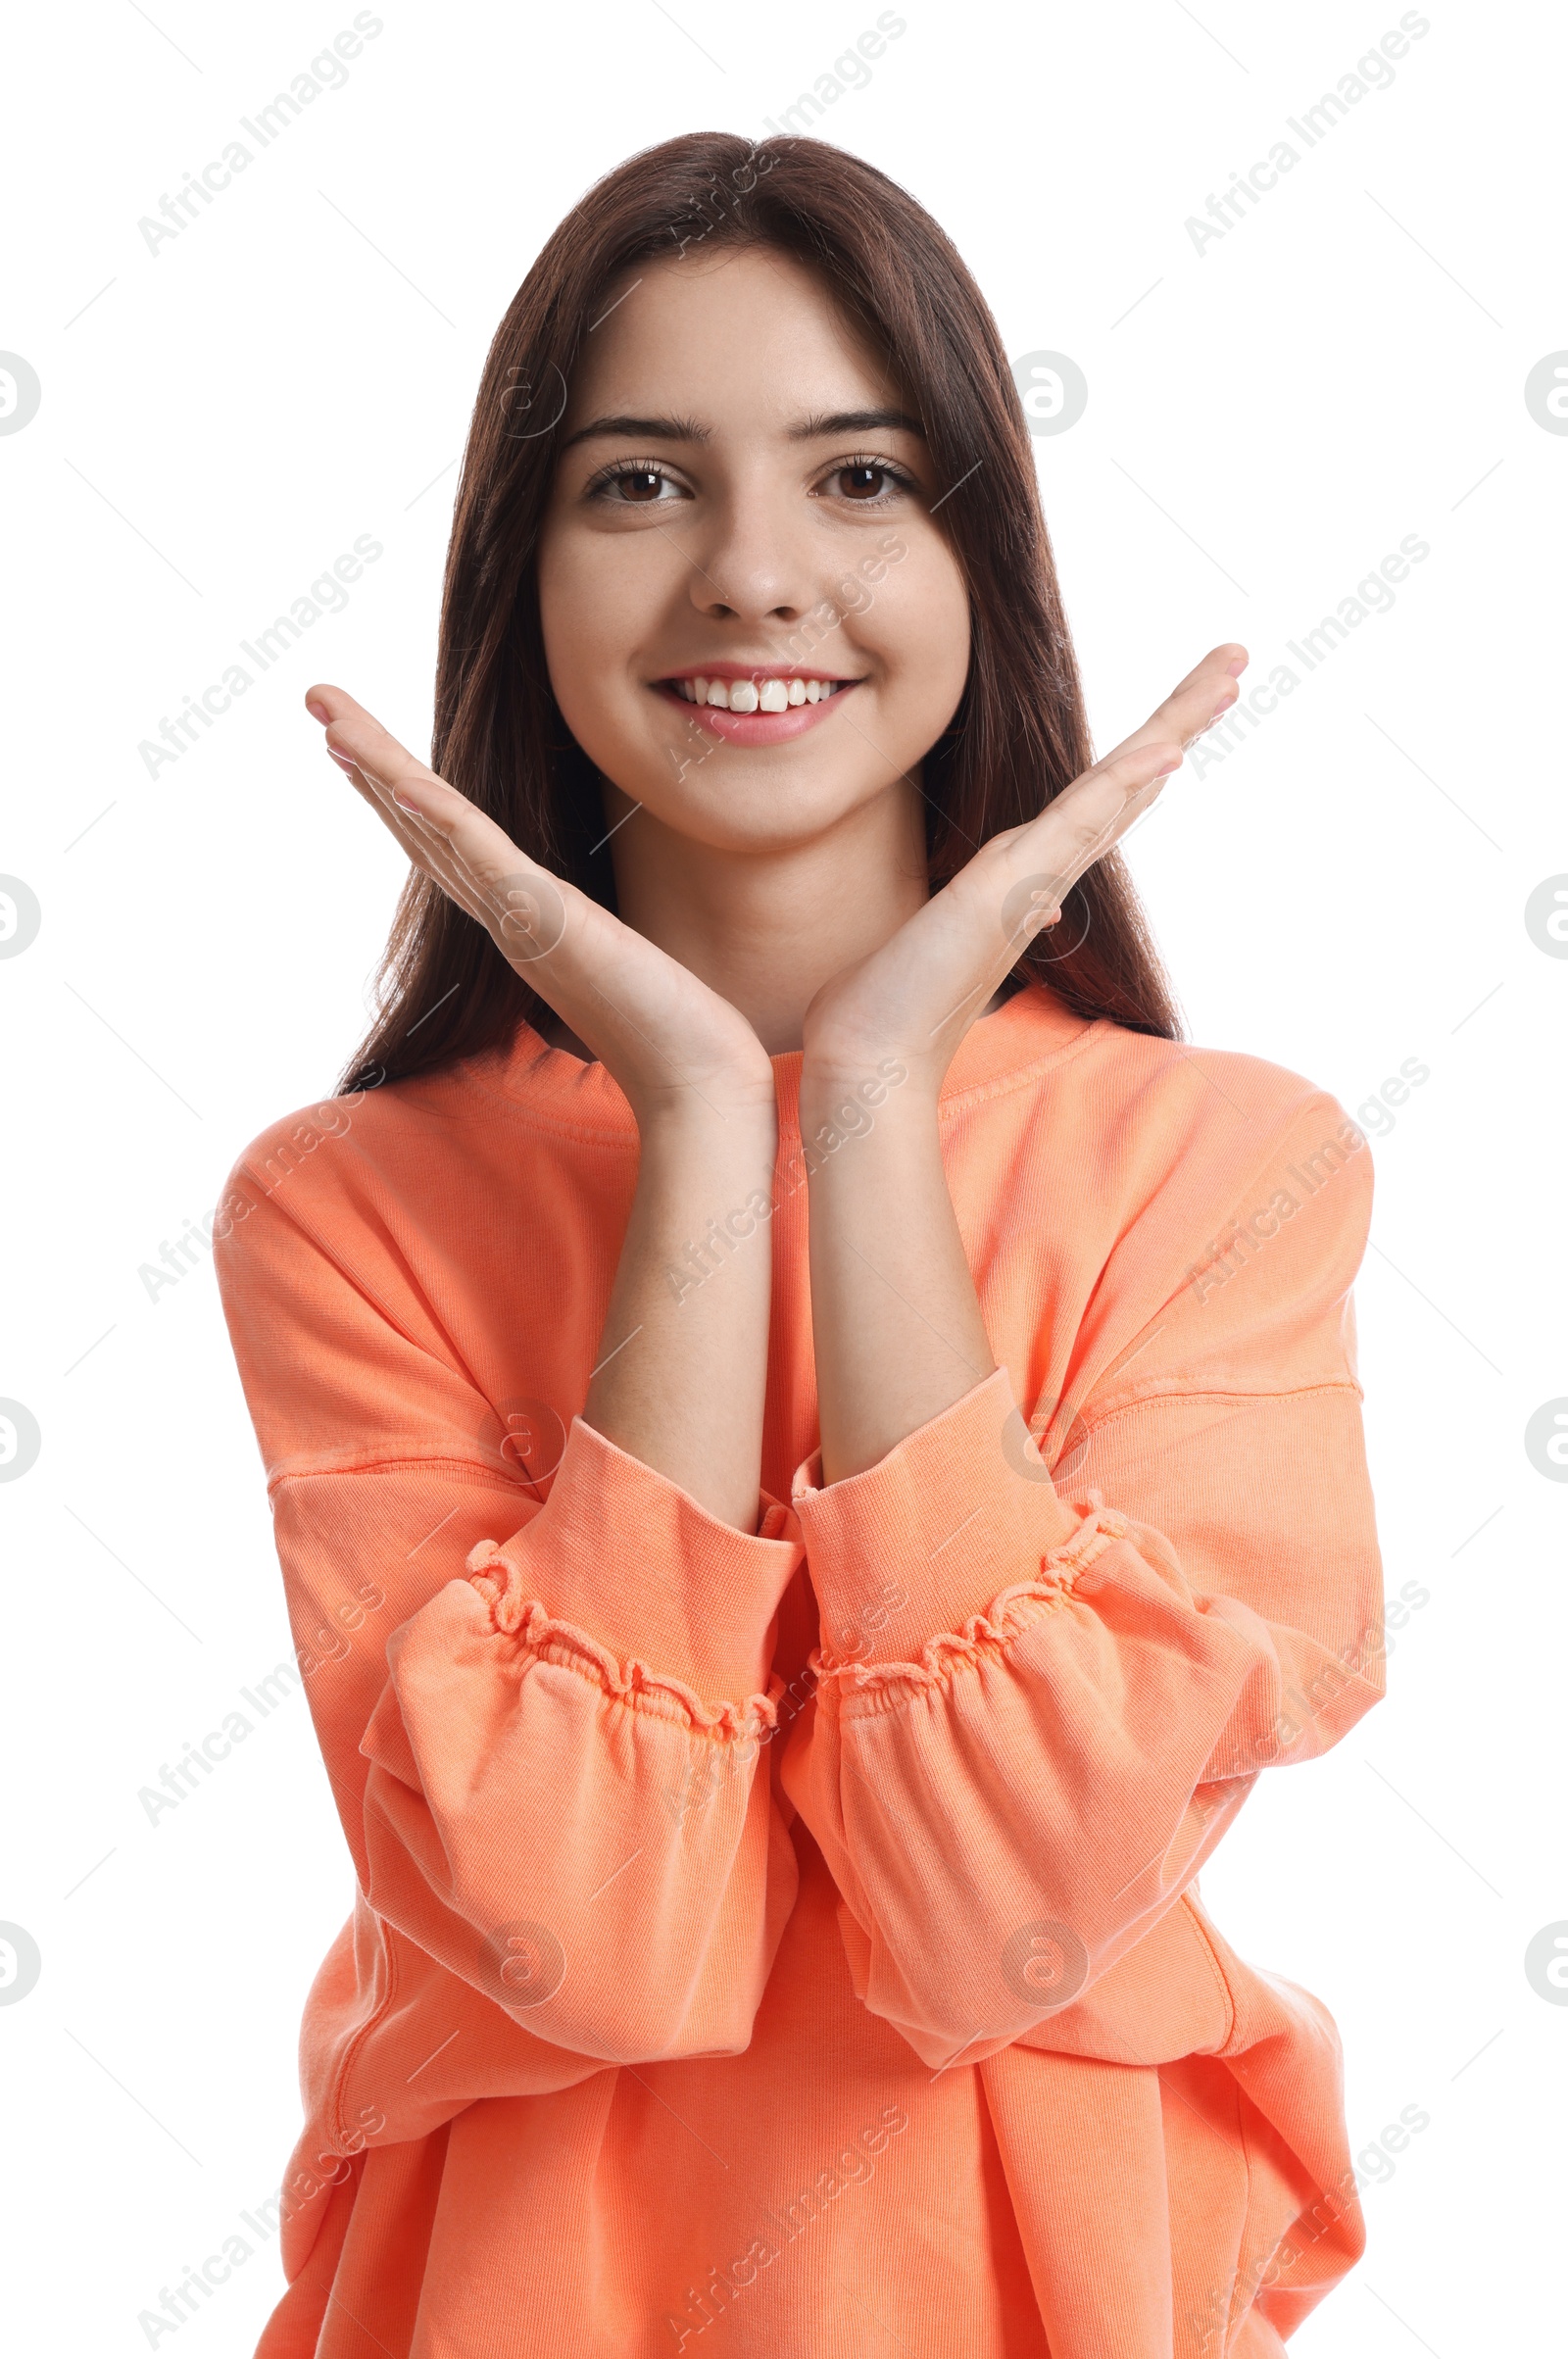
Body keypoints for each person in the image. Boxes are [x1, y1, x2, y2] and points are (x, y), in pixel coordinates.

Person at [213, 129, 1386, 2359]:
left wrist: (853, 1114)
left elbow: (1006, 1914)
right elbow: (591, 1931)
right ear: (518, 573)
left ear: (981, 563)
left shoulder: (1224, 1169)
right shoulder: (348, 1212)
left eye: (859, 480)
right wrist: (691, 1117)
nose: (753, 574)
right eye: (640, 483)